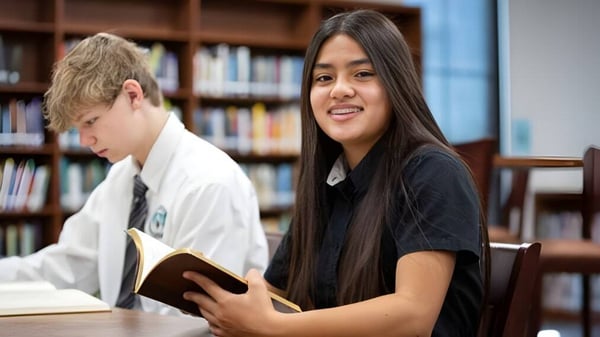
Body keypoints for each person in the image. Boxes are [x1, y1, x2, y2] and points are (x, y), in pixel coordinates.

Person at [181, 9, 489, 337]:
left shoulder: (433, 172)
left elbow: (413, 315)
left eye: (363, 74)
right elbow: (275, 293)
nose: (339, 90)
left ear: (396, 82)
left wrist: (275, 326)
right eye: (324, 78)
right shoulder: (327, 183)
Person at [0, 32, 269, 317]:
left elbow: (195, 316)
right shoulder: (122, 178)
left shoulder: (209, 183)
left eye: (91, 121)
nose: (84, 140)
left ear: (133, 95)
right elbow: (69, 265)